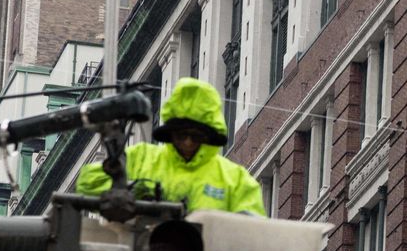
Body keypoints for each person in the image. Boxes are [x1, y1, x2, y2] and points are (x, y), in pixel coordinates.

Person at [76, 78, 266, 215]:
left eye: (196, 136)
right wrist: (130, 189)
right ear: (171, 133)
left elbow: (252, 233)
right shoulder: (141, 158)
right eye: (182, 135)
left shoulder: (236, 179)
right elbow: (86, 182)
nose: (188, 142)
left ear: (208, 137)